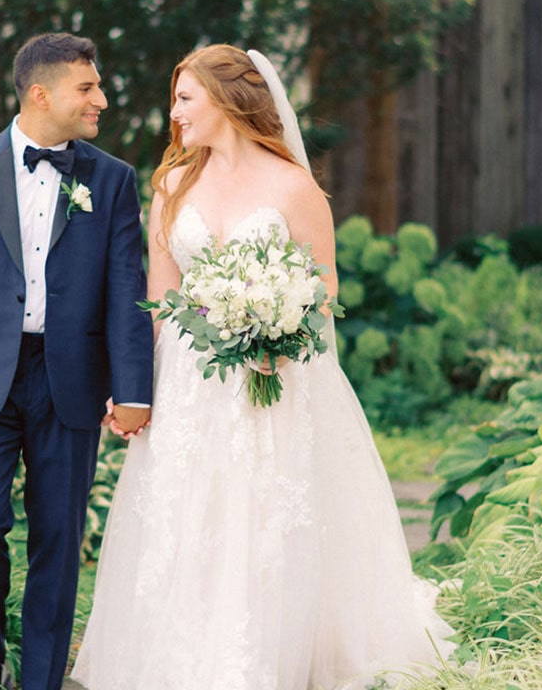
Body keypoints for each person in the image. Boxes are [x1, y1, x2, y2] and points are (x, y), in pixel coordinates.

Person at [71, 44, 455, 690]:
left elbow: (325, 290)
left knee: (266, 513)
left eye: (186, 99)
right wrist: (139, 389)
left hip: (273, 378)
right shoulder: (173, 186)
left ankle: (271, 651)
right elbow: (160, 302)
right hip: (191, 383)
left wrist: (276, 324)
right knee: (189, 514)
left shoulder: (293, 188)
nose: (175, 113)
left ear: (226, 101)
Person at [0, 32, 154, 690]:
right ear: (41, 93)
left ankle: (44, 680)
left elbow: (126, 291)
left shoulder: (112, 180)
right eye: (89, 87)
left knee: (58, 537)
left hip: (71, 382)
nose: (101, 98)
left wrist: (135, 388)